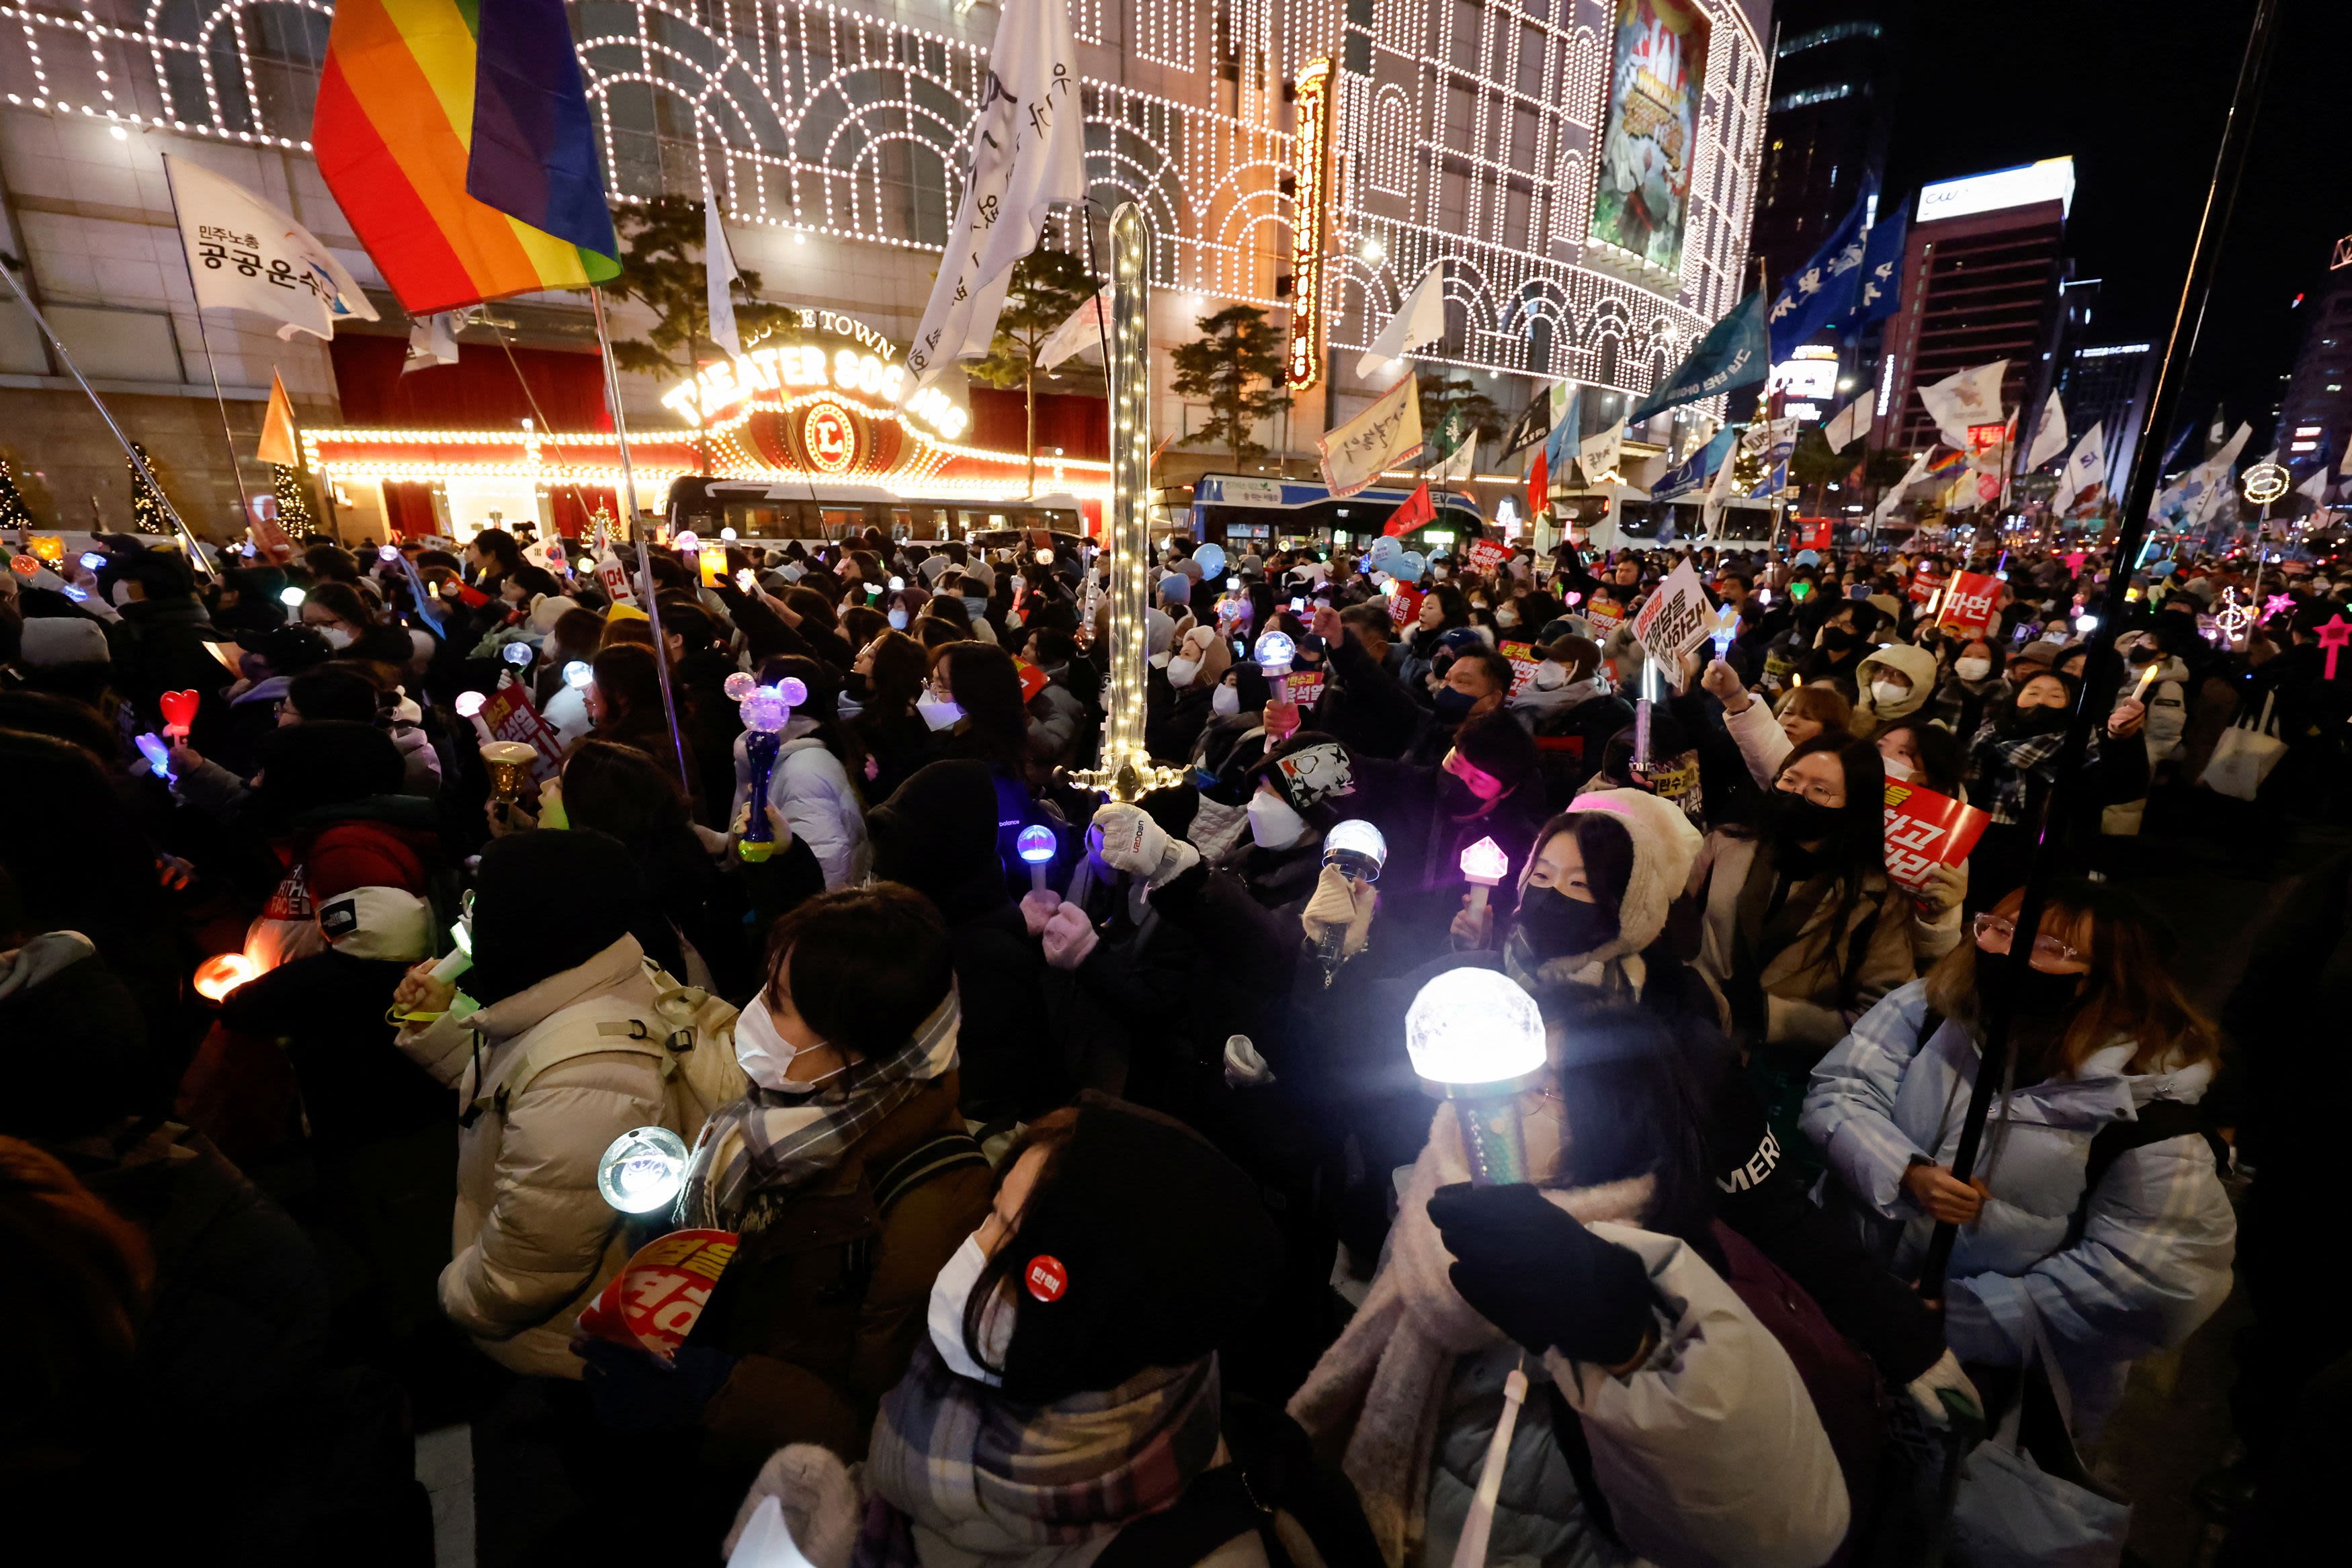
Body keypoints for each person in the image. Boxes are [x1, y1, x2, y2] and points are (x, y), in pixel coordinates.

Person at [1288, 995, 1850, 1568]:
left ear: (1612, 1119)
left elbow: (1783, 1532)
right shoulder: (1432, 1206)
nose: (1492, 1110)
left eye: (1541, 1089)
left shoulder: (1650, 1274)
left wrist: (1628, 1346)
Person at [722, 1096, 1326, 1568]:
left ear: (1096, 1315)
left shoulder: (1188, 1551)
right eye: (992, 1214)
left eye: (1008, 1239)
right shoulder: (984, 1355)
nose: (973, 1250)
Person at [577, 885, 990, 1477]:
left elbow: (885, 1427)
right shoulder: (789, 1107)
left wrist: (724, 1388)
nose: (753, 1017)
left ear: (858, 1042)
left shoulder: (934, 1208)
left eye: (779, 1005)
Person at [1802, 879, 2236, 1436]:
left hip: (1985, 1374)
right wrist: (1905, 1171)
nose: (2007, 952)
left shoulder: (2147, 1107)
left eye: (2048, 948)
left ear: (2107, 979)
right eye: (2000, 929)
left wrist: (1965, 1315)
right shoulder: (1931, 1008)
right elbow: (1842, 1089)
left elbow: (2155, 1278)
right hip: (1846, 1296)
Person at [390, 832, 737, 1379]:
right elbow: (520, 1084)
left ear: (530, 921)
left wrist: (453, 1293)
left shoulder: (585, 1080)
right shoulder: (603, 974)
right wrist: (444, 1017)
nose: (472, 920)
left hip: (572, 1347)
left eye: (483, 904)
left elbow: (529, 1271)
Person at [1687, 732, 1913, 1062]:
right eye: (1790, 779)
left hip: (1781, 1069)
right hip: (1690, 1037)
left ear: (1855, 805)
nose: (1796, 794)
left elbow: (1883, 1017)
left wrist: (1774, 1017)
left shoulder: (1877, 899)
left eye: (1820, 790)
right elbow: (1676, 925)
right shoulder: (1725, 844)